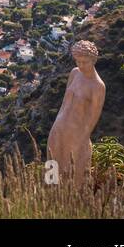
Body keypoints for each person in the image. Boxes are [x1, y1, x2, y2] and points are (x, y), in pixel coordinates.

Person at [47, 39, 105, 185]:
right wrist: (56, 124)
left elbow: (93, 117)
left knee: (72, 173)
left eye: (84, 62)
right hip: (60, 127)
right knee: (51, 165)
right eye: (78, 61)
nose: (80, 65)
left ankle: (71, 202)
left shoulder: (98, 86)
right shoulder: (74, 73)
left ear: (94, 60)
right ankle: (48, 195)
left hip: (77, 134)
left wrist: (82, 139)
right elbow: (64, 102)